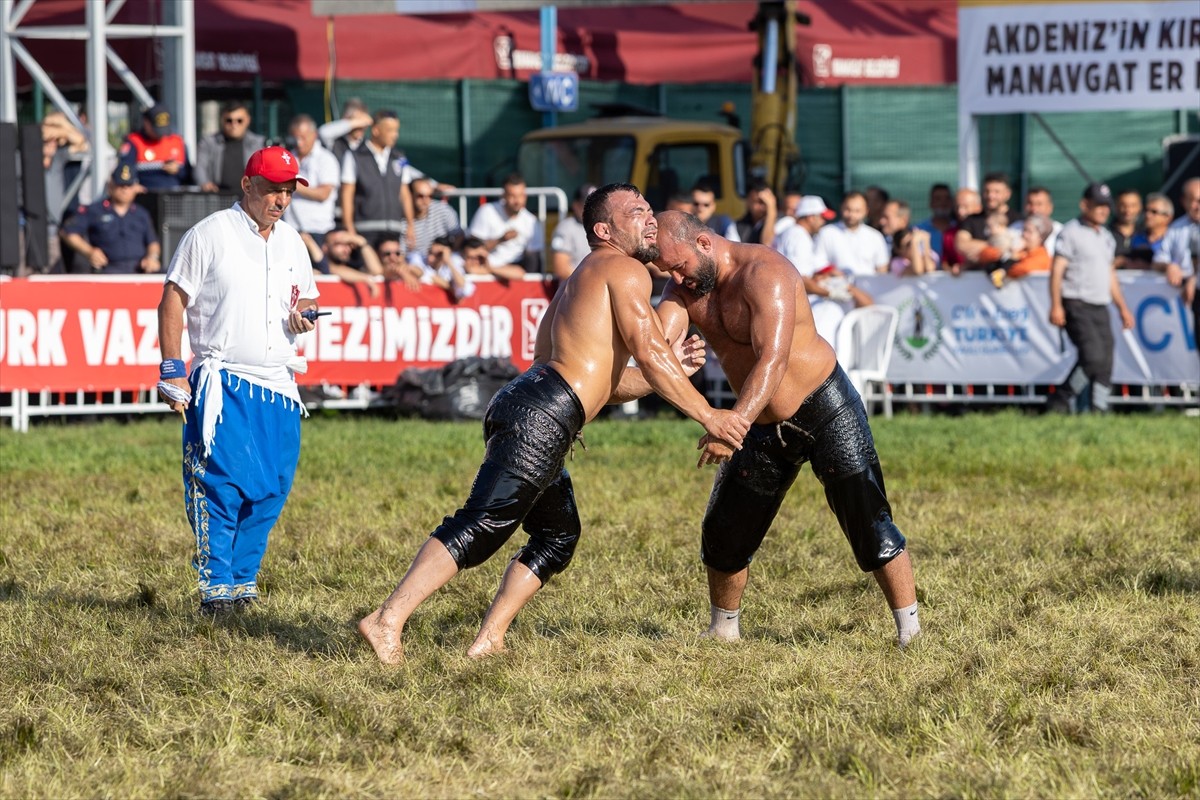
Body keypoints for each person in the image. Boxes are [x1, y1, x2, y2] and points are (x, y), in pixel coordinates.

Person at [357, 183, 752, 664]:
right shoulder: (624, 268)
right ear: (604, 230)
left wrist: (665, 374)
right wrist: (709, 413)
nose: (649, 218)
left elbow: (604, 381)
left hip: (533, 406)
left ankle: (489, 640)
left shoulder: (583, 280)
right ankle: (386, 619)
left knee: (557, 535)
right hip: (541, 414)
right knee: (481, 523)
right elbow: (649, 352)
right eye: (636, 212)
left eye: (650, 208)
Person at [649, 210, 921, 648]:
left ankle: (910, 631)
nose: (675, 277)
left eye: (677, 265)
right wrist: (665, 359)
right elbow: (656, 346)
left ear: (703, 244)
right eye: (666, 269)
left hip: (823, 406)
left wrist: (729, 425)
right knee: (725, 530)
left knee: (867, 518)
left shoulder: (766, 273)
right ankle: (723, 631)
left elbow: (771, 361)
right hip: (756, 423)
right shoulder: (684, 286)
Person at [156, 146, 319, 617]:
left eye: (288, 191)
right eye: (271, 189)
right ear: (247, 185)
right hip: (223, 380)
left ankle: (243, 583)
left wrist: (304, 316)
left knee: (271, 490)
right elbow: (173, 300)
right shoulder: (209, 234)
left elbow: (306, 300)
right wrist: (172, 368)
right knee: (220, 486)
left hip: (280, 385)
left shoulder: (292, 242)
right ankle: (216, 587)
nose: (280, 200)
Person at [1048, 183, 1134, 414]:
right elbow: (1057, 271)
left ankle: (1099, 408)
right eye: (1098, 206)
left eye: (1106, 206)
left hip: (1100, 304)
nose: (1103, 211)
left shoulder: (1106, 237)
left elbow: (1110, 275)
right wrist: (1056, 305)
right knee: (1092, 357)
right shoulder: (1070, 232)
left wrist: (1123, 308)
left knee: (1106, 360)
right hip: (1077, 302)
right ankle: (1061, 400)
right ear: (1084, 205)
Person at [61, 162, 161, 274]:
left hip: (139, 269)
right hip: (109, 269)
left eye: (128, 186)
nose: (124, 190)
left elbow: (153, 242)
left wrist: (152, 258)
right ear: (111, 186)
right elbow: (68, 232)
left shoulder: (141, 213)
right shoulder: (95, 210)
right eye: (120, 185)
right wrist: (89, 252)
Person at [1155, 177, 1199, 367]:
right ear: (1184, 201)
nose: (1198, 205)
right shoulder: (1176, 229)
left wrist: (1193, 278)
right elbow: (1159, 259)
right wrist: (1169, 266)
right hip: (1192, 300)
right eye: (1194, 200)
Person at [282, 114, 341, 245]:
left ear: (314, 135)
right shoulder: (288, 157)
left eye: (303, 137)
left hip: (318, 230)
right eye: (295, 137)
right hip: (290, 228)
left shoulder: (326, 159)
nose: (299, 142)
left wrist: (291, 184)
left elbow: (323, 194)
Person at [467, 172, 544, 273]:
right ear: (504, 196)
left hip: (516, 272)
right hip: (484, 269)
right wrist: (500, 240)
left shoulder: (531, 221)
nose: (517, 201)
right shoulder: (487, 211)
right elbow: (472, 250)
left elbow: (534, 259)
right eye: (512, 196)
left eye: (521, 196)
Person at [194, 101, 265, 193]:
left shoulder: (258, 143)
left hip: (249, 196)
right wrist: (205, 183)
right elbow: (200, 168)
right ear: (222, 120)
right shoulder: (209, 142)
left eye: (239, 121)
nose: (234, 125)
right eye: (229, 121)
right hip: (218, 197)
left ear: (248, 120)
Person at [118, 103, 190, 190]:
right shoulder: (134, 142)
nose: (160, 135)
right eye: (156, 129)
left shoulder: (177, 142)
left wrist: (178, 170)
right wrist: (132, 184)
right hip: (145, 195)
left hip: (173, 196)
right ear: (146, 123)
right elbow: (124, 169)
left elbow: (188, 175)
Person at [815, 191, 889, 276]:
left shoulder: (875, 237)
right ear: (841, 207)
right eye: (848, 209)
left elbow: (882, 269)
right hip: (835, 286)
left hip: (868, 288)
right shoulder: (826, 232)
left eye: (857, 211)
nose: (851, 215)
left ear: (866, 211)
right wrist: (832, 272)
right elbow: (818, 261)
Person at [987, 214, 1054, 288]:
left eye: (1029, 231)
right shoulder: (1020, 252)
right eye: (1024, 230)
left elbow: (1021, 269)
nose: (1024, 234)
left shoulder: (1042, 257)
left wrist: (1008, 263)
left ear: (1041, 237)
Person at [878, 199, 937, 276]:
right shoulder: (878, 239)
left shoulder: (918, 239)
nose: (881, 222)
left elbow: (927, 268)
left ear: (903, 220)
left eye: (887, 217)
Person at [550, 183, 596, 279]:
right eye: (587, 205)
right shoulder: (565, 229)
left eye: (596, 204)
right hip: (574, 290)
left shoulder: (603, 228)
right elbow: (561, 268)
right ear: (576, 205)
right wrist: (590, 282)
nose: (593, 209)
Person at [1006, 186, 1063, 255]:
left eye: (1039, 204)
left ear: (1050, 207)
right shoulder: (1013, 229)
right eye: (1030, 203)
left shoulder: (1060, 232)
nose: (1034, 209)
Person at [1126, 193, 1174, 269]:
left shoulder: (1176, 239)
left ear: (1167, 217)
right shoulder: (1136, 238)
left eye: (1154, 212)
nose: (1148, 215)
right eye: (1146, 210)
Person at [734, 178, 778, 246]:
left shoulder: (783, 222)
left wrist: (771, 211)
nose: (764, 207)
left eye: (767, 202)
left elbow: (767, 244)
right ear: (748, 202)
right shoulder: (737, 227)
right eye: (759, 202)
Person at [1111, 188, 1143, 269]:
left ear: (1140, 207)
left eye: (1133, 205)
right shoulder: (1104, 234)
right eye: (1123, 205)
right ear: (1116, 206)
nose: (1128, 210)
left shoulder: (1147, 234)